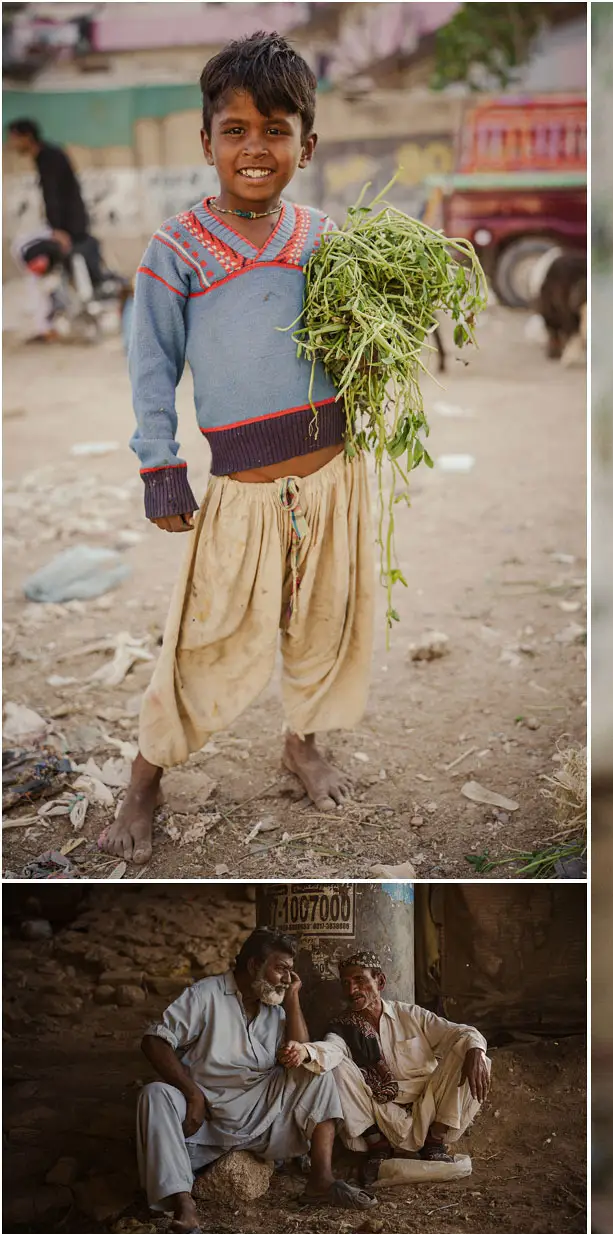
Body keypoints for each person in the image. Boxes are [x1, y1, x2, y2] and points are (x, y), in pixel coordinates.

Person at [99, 31, 374, 867]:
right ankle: (144, 779)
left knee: (322, 623)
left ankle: (301, 741)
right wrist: (161, 468)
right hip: (242, 491)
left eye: (277, 129)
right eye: (238, 129)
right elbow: (150, 370)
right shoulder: (174, 251)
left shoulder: (324, 238)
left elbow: (354, 344)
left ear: (307, 144)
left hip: (334, 476)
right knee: (204, 636)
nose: (258, 147)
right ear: (208, 141)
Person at [136, 927, 376, 1234]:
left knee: (317, 1069)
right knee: (155, 1095)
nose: (286, 977)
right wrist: (191, 1093)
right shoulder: (206, 995)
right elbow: (155, 1040)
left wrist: (292, 999)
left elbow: (301, 1050)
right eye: (281, 968)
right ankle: (184, 1206)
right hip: (207, 1119)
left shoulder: (273, 1007)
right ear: (253, 966)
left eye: (291, 971)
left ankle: (321, 1180)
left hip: (264, 1117)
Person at [280, 949, 492, 1185]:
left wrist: (475, 1050)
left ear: (379, 981)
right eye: (346, 984)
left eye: (360, 980)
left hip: (429, 1108)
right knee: (336, 1067)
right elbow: (331, 1049)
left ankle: (435, 1142)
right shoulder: (344, 1026)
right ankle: (377, 1147)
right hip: (381, 1115)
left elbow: (459, 1032)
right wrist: (305, 1051)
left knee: (471, 1052)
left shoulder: (411, 1015)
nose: (352, 991)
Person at [6, 118, 111, 300]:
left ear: (27, 137)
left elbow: (55, 197)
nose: (11, 144)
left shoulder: (49, 158)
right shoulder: (46, 157)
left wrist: (59, 230)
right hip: (68, 227)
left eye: (14, 138)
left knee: (21, 248)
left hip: (68, 229)